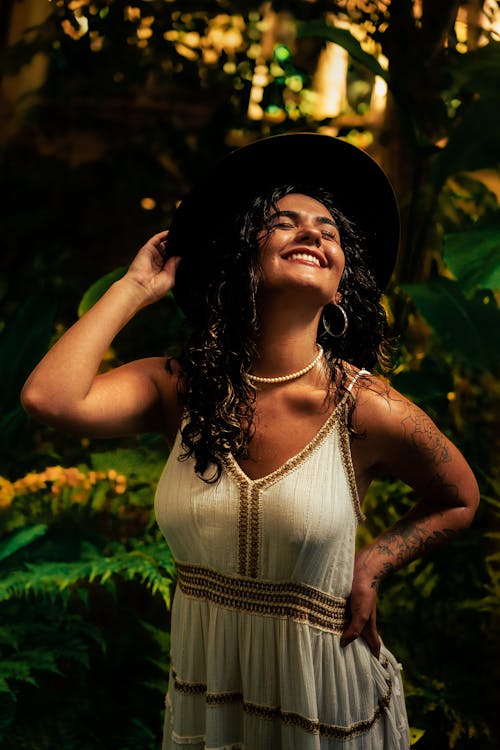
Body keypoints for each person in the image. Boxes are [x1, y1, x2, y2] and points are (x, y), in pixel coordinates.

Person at [21, 133, 479, 749]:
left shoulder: (367, 408)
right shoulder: (176, 388)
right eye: (283, 223)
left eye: (328, 231)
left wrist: (372, 565)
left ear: (341, 284)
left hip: (323, 708)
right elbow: (49, 399)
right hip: (207, 704)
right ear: (243, 257)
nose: (312, 234)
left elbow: (460, 498)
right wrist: (134, 288)